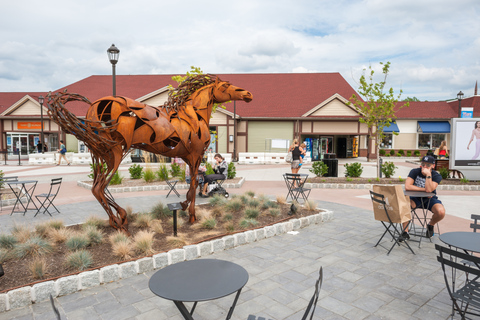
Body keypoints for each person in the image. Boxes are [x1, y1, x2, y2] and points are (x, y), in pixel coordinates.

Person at [400, 155, 445, 241]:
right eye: (423, 164)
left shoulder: (436, 176)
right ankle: (405, 232)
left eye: (428, 165)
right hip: (415, 198)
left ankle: (430, 225)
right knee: (405, 205)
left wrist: (428, 174)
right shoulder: (414, 172)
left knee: (441, 212)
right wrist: (425, 190)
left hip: (429, 199)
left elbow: (430, 190)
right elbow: (408, 186)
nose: (425, 167)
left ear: (433, 166)